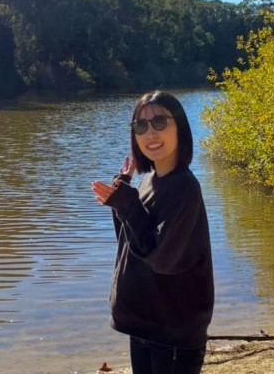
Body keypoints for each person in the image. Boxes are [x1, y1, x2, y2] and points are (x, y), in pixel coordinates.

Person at [91, 90, 214, 374]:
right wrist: (121, 195)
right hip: (145, 323)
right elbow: (131, 243)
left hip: (172, 332)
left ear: (179, 127)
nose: (150, 133)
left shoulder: (184, 188)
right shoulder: (150, 181)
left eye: (160, 122)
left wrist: (128, 202)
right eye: (141, 125)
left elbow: (162, 258)